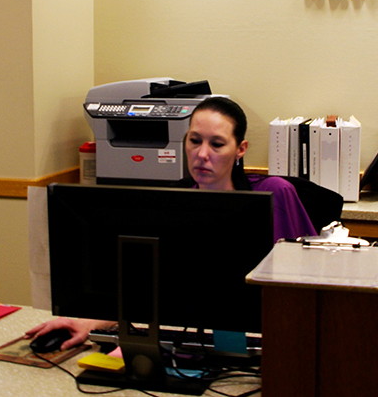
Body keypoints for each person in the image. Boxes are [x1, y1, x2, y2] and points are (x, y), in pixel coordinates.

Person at [25, 95, 317, 349]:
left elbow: (304, 287)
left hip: (266, 341)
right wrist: (89, 322)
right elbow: (151, 292)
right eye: (194, 141)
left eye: (217, 144)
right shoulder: (174, 206)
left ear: (240, 149)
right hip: (190, 341)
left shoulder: (274, 194)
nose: (202, 154)